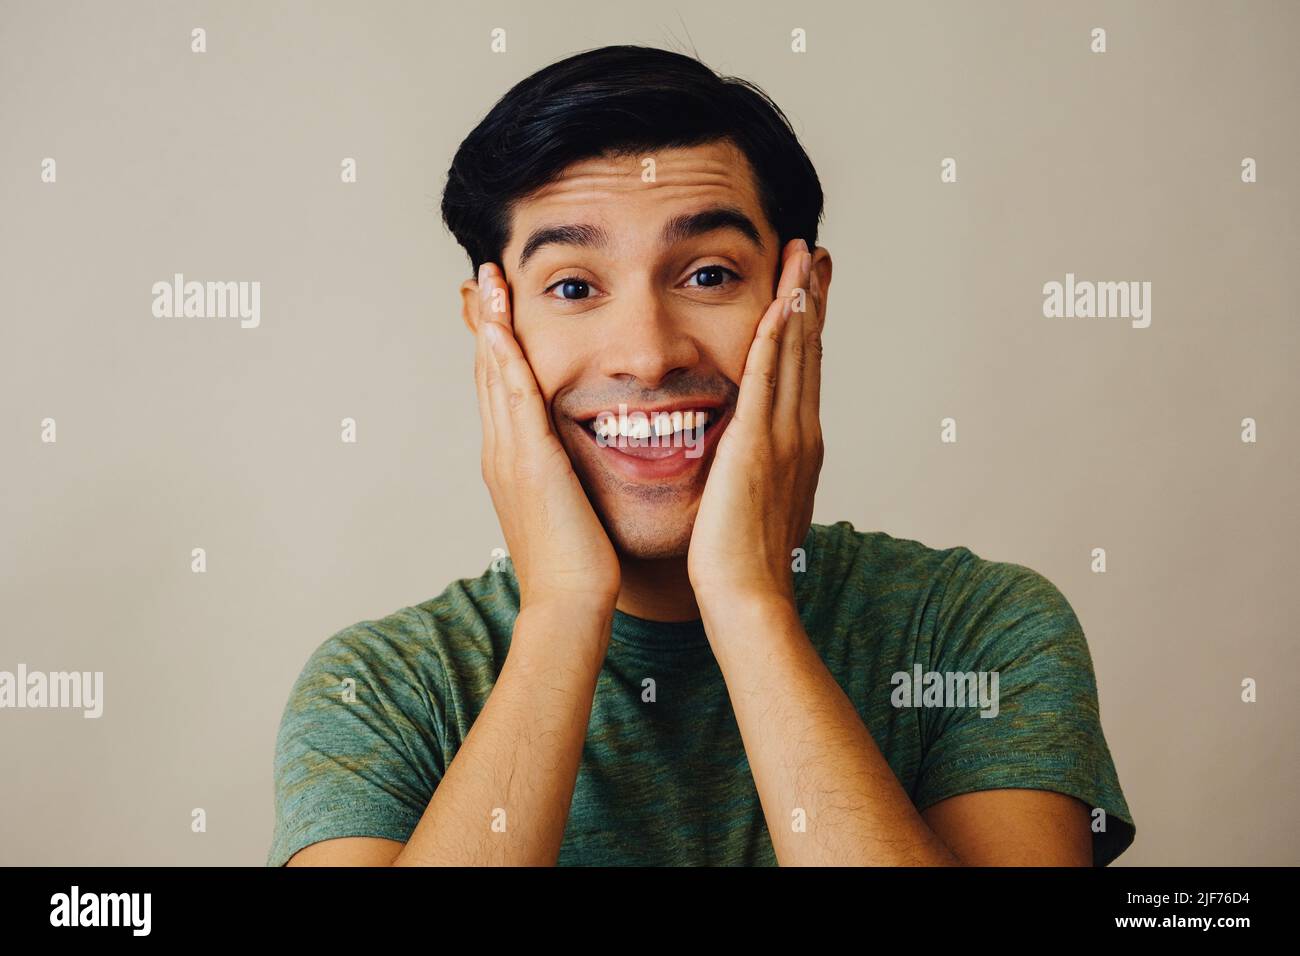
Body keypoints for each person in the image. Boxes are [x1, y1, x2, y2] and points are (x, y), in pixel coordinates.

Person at [268, 45, 1134, 866]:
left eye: (709, 275)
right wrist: (563, 611)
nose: (646, 355)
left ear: (806, 300)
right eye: (573, 287)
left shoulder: (976, 634)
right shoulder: (380, 690)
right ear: (492, 326)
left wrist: (751, 605)